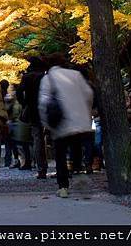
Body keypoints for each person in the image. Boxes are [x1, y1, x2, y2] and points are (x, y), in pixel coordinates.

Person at [39, 52, 93, 198]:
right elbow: (88, 94)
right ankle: (78, 174)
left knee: (60, 155)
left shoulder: (48, 78)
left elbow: (44, 102)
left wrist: (47, 124)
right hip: (79, 122)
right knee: (76, 149)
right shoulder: (76, 75)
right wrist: (86, 115)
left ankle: (63, 186)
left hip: (60, 123)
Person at [17, 56, 48, 178]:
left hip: (33, 110)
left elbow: (19, 92)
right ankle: (63, 166)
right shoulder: (45, 76)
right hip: (47, 108)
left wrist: (25, 103)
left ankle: (41, 168)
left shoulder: (27, 77)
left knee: (37, 139)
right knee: (54, 137)